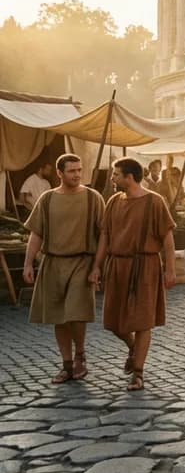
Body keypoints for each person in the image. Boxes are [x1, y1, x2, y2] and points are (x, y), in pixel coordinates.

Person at [88, 157, 177, 391]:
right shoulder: (114, 202)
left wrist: (170, 269)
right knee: (114, 322)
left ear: (129, 177)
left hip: (145, 265)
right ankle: (133, 347)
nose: (112, 178)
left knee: (143, 322)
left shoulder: (155, 202)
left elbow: (167, 238)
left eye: (116, 174)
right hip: (117, 266)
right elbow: (105, 236)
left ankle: (138, 373)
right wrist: (97, 266)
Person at [22, 154, 105, 384]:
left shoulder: (93, 197)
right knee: (59, 316)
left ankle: (80, 354)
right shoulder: (47, 199)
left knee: (76, 313)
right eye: (72, 171)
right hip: (54, 262)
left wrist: (98, 266)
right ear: (59, 173)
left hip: (82, 261)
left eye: (79, 170)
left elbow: (105, 234)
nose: (77, 174)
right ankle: (67, 365)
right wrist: (29, 263)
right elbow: (36, 233)